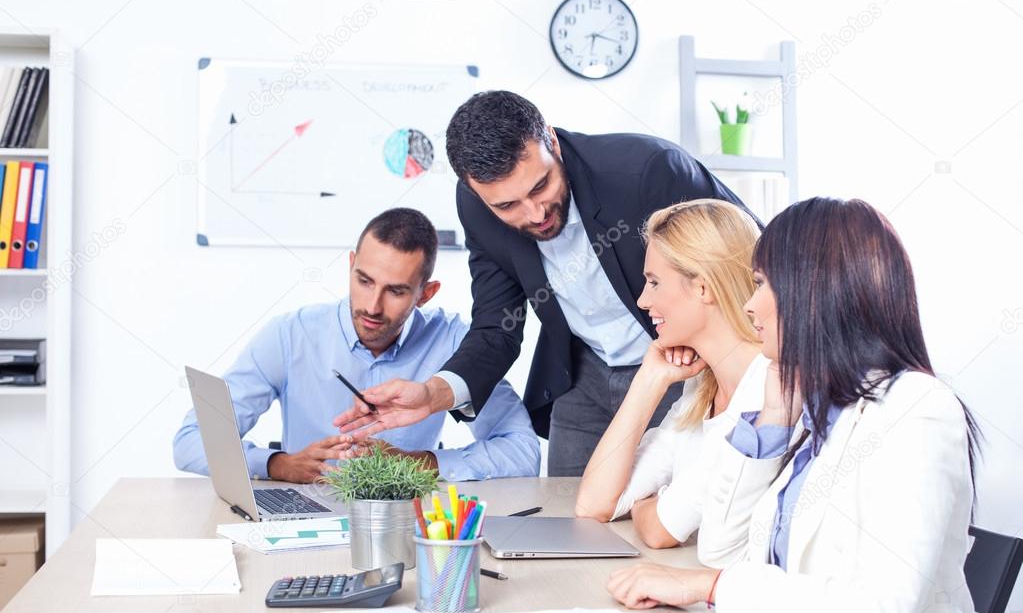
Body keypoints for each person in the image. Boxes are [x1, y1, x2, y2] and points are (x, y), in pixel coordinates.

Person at [605, 198, 989, 613]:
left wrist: (712, 588)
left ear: (813, 289)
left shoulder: (917, 410)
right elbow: (719, 549)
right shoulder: (812, 405)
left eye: (762, 283)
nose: (748, 305)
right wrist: (771, 424)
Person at [333, 90, 757, 476]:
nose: (534, 213)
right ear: (474, 190)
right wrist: (432, 395)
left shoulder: (646, 170)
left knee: (672, 518)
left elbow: (755, 258)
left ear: (552, 142)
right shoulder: (477, 207)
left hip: (681, 368)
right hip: (583, 376)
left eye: (541, 186)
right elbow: (495, 327)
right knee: (567, 517)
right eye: (508, 205)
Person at [173, 208, 540, 483]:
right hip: (307, 504)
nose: (372, 306)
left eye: (395, 291)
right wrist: (278, 465)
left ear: (425, 294)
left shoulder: (456, 344)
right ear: (351, 266)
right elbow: (190, 442)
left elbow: (523, 451)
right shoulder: (290, 335)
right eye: (364, 281)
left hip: (406, 512)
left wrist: (416, 462)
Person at [574, 199, 769, 550]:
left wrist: (653, 505)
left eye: (654, 282)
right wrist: (648, 381)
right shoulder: (702, 386)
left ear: (703, 287)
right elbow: (594, 505)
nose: (642, 301)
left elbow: (661, 531)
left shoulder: (766, 387)